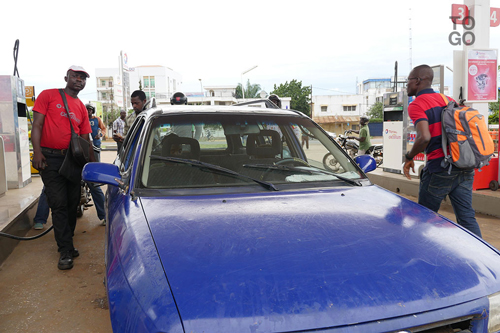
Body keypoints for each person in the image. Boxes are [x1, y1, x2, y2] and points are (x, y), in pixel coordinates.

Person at [403, 64, 481, 238]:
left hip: (440, 168)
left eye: (408, 80)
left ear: (417, 81)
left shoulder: (417, 104)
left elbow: (424, 137)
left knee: (423, 216)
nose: (406, 85)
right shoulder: (448, 100)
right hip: (463, 166)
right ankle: (483, 260)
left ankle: (419, 255)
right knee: (467, 217)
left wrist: (409, 157)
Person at [31, 65, 96, 270]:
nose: (79, 80)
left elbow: (86, 139)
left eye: (83, 78)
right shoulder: (48, 95)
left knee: (72, 204)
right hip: (49, 158)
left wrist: (92, 166)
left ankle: (67, 241)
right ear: (66, 77)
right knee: (58, 204)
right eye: (76, 76)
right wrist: (37, 152)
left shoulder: (82, 108)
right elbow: (37, 125)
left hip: (72, 161)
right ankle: (65, 250)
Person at [86, 104, 107, 226]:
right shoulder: (81, 119)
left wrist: (100, 135)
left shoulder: (96, 119)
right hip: (81, 150)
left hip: (95, 147)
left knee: (94, 182)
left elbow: (103, 129)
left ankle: (104, 215)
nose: (88, 112)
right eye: (86, 109)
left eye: (90, 110)